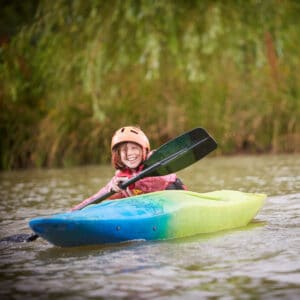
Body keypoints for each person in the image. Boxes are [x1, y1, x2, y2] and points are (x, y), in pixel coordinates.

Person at [71, 126, 186, 211]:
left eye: (134, 148)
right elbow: (97, 197)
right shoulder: (120, 177)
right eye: (124, 150)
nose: (130, 153)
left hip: (175, 200)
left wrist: (132, 182)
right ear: (118, 155)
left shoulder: (155, 160)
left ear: (144, 150)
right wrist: (72, 213)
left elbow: (160, 181)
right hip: (149, 209)